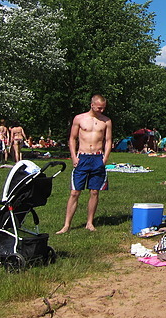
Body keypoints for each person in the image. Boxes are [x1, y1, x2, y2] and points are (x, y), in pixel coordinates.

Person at [57, 94, 112, 233]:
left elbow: (108, 140)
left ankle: (90, 222)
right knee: (75, 192)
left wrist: (105, 158)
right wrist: (74, 157)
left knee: (94, 191)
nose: (101, 111)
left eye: (103, 108)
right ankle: (66, 225)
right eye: (99, 108)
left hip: (97, 158)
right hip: (82, 157)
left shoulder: (106, 121)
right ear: (92, 105)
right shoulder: (79, 118)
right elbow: (72, 138)